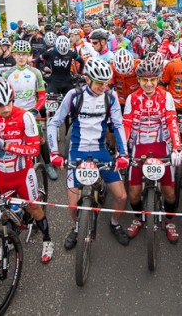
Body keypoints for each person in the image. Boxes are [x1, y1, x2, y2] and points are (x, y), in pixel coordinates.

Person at [47, 58, 131, 248]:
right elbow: (54, 123)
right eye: (100, 82)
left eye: (107, 82)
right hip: (77, 151)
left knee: (121, 196)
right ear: (87, 80)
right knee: (72, 203)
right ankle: (77, 228)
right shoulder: (73, 96)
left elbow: (118, 125)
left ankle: (115, 223)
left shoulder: (111, 97)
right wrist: (54, 153)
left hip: (100, 150)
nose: (104, 86)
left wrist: (123, 154)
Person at [0, 78, 54, 263]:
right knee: (4, 212)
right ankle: (10, 241)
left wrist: (5, 146)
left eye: (9, 103)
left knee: (35, 209)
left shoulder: (25, 116)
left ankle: (47, 240)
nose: (6, 109)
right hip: (2, 175)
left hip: (23, 174)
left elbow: (34, 150)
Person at [123, 59, 182, 242]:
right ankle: (137, 218)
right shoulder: (132, 98)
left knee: (170, 193)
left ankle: (169, 220)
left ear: (158, 79)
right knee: (133, 194)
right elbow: (126, 124)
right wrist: (123, 150)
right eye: (144, 80)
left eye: (153, 79)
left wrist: (177, 147)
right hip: (139, 147)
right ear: (139, 79)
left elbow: (172, 121)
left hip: (161, 146)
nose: (149, 84)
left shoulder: (165, 96)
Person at [4, 40, 56, 180]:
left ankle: (48, 164)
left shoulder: (36, 72)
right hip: (13, 113)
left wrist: (35, 109)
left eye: (24, 54)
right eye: (19, 54)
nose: (21, 57)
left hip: (31, 112)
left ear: (29, 56)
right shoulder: (7, 74)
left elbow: (42, 96)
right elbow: (4, 97)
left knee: (41, 140)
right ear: (13, 55)